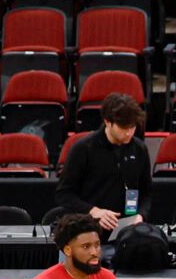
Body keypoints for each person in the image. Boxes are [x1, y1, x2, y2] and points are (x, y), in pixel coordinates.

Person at [53, 94, 151, 231]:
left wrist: (140, 215)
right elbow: (64, 194)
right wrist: (94, 211)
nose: (129, 133)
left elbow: (146, 193)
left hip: (126, 232)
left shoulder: (140, 149)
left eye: (132, 127)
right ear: (107, 122)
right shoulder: (83, 148)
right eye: (123, 128)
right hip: (88, 230)